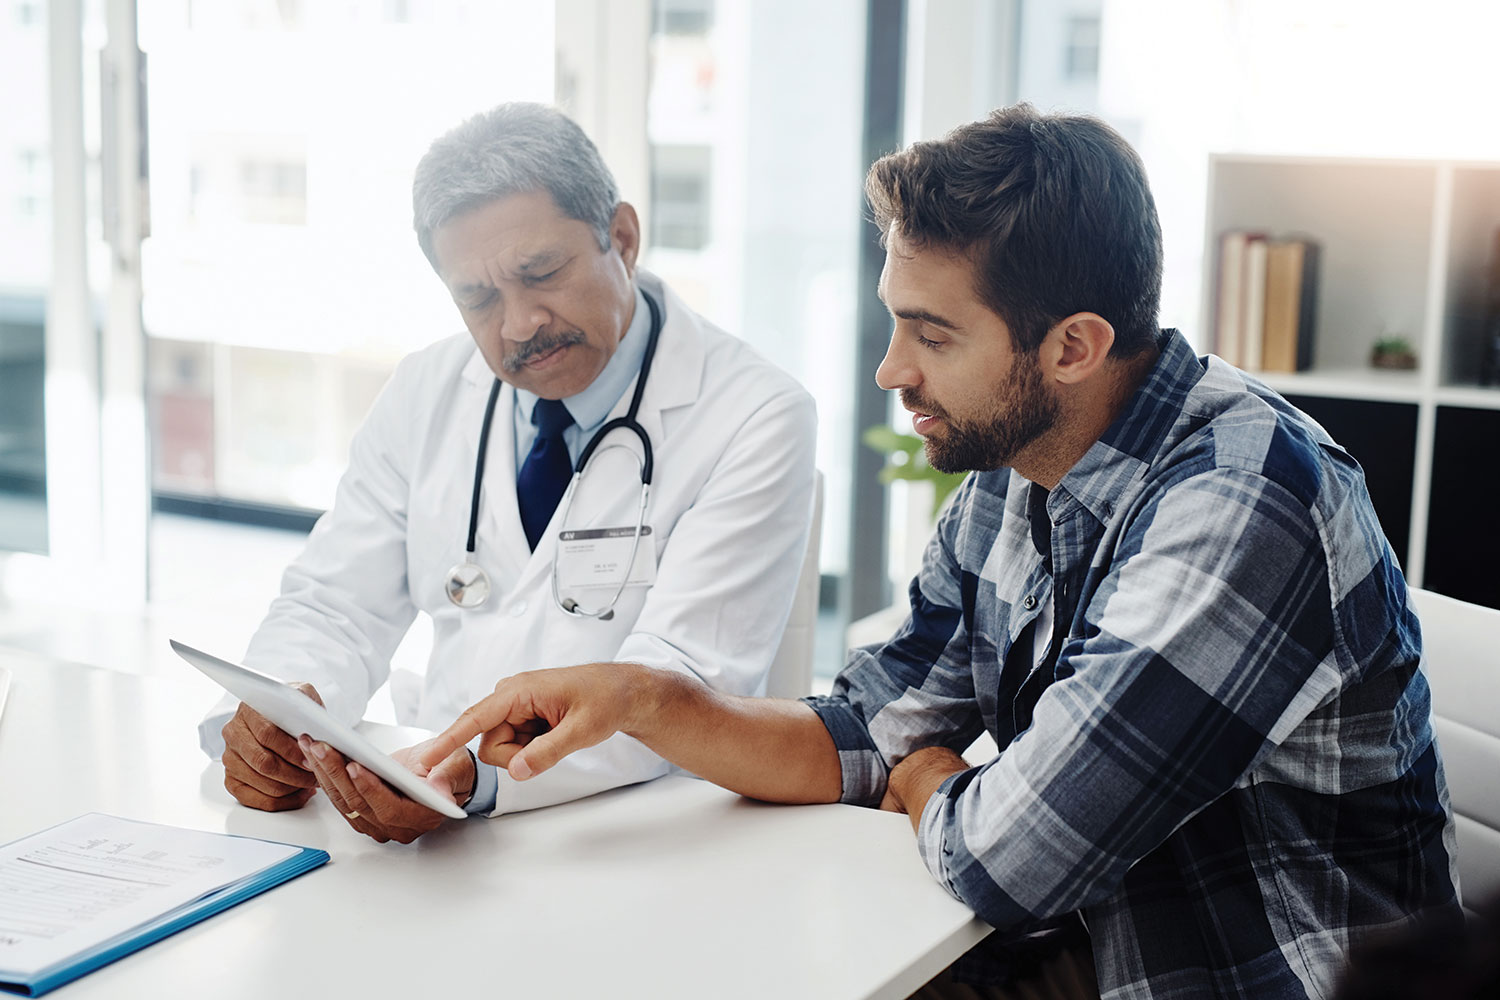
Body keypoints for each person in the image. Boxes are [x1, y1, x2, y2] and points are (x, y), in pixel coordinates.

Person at [420, 104, 1460, 998]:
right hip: (1101, 952)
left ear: (1072, 346)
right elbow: (868, 728)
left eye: (933, 334)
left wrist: (926, 781)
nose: (889, 371)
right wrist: (647, 698)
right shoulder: (1021, 463)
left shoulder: (1244, 502)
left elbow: (1014, 856)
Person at [199, 102, 817, 845]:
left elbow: (677, 692)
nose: (519, 323)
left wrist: (483, 779)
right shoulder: (426, 389)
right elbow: (334, 607)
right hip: (429, 823)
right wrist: (283, 724)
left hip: (641, 840)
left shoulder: (755, 413)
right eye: (479, 297)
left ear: (621, 239)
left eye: (541, 274)